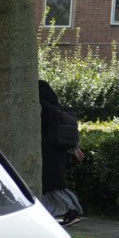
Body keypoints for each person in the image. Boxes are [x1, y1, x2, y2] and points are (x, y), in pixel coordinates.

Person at [38, 80, 84, 225]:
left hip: (47, 151)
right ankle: (49, 213)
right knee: (52, 183)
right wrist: (76, 147)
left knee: (52, 184)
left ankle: (72, 211)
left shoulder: (42, 107)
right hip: (59, 151)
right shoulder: (58, 108)